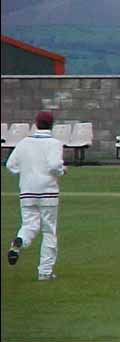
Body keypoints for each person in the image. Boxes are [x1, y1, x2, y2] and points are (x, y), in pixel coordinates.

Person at [6, 111, 66, 280]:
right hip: (47, 191)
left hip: (27, 190)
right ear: (51, 125)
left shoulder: (24, 143)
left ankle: (20, 241)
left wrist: (25, 173)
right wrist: (62, 171)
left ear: (36, 124)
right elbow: (55, 165)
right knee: (49, 230)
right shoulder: (54, 143)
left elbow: (10, 165)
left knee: (29, 224)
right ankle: (45, 272)